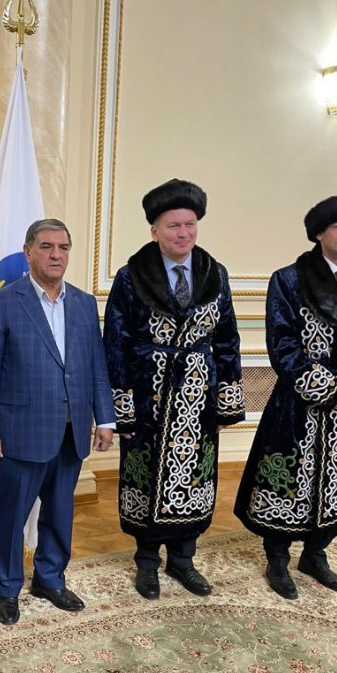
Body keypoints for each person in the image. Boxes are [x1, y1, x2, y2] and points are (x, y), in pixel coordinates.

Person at [235, 194, 337, 599]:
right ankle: (277, 558)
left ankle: (315, 554)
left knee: (333, 479)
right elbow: (282, 344)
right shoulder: (288, 279)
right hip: (296, 402)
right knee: (286, 476)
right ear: (319, 234)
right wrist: (327, 389)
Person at [103, 179, 244, 600]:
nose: (183, 233)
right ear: (155, 231)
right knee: (144, 479)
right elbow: (116, 345)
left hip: (199, 398)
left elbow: (227, 340)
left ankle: (183, 560)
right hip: (148, 397)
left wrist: (226, 404)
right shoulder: (131, 277)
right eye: (173, 226)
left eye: (190, 224)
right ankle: (147, 563)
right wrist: (122, 410)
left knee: (194, 479)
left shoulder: (215, 274)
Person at [0, 218, 115, 625]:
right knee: (10, 516)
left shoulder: (84, 303)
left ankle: (50, 579)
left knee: (59, 511)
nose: (56, 255)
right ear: (28, 252)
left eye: (63, 247)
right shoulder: (2, 303)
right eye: (47, 247)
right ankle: (7, 588)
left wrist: (105, 418)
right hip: (19, 433)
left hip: (71, 431)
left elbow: (96, 367)